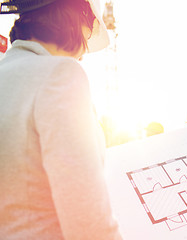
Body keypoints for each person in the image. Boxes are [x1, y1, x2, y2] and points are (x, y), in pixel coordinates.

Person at [0, 0, 122, 239]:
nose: (84, 52)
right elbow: (87, 219)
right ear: (75, 19)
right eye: (89, 35)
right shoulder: (60, 74)